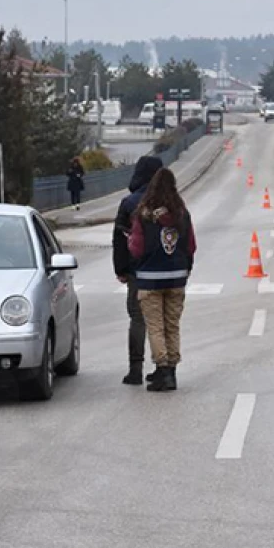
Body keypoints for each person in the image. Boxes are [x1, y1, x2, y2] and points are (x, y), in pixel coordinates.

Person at [127, 168, 197, 392]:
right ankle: (172, 371)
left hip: (149, 279)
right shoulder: (181, 214)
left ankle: (163, 370)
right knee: (172, 326)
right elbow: (191, 246)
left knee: (155, 327)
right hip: (177, 278)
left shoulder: (143, 215)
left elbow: (136, 249)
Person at [112, 155, 164, 385]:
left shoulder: (129, 203)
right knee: (162, 319)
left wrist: (121, 269)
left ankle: (135, 370)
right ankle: (164, 368)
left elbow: (119, 240)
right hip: (165, 270)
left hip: (137, 270)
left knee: (138, 318)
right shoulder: (170, 202)